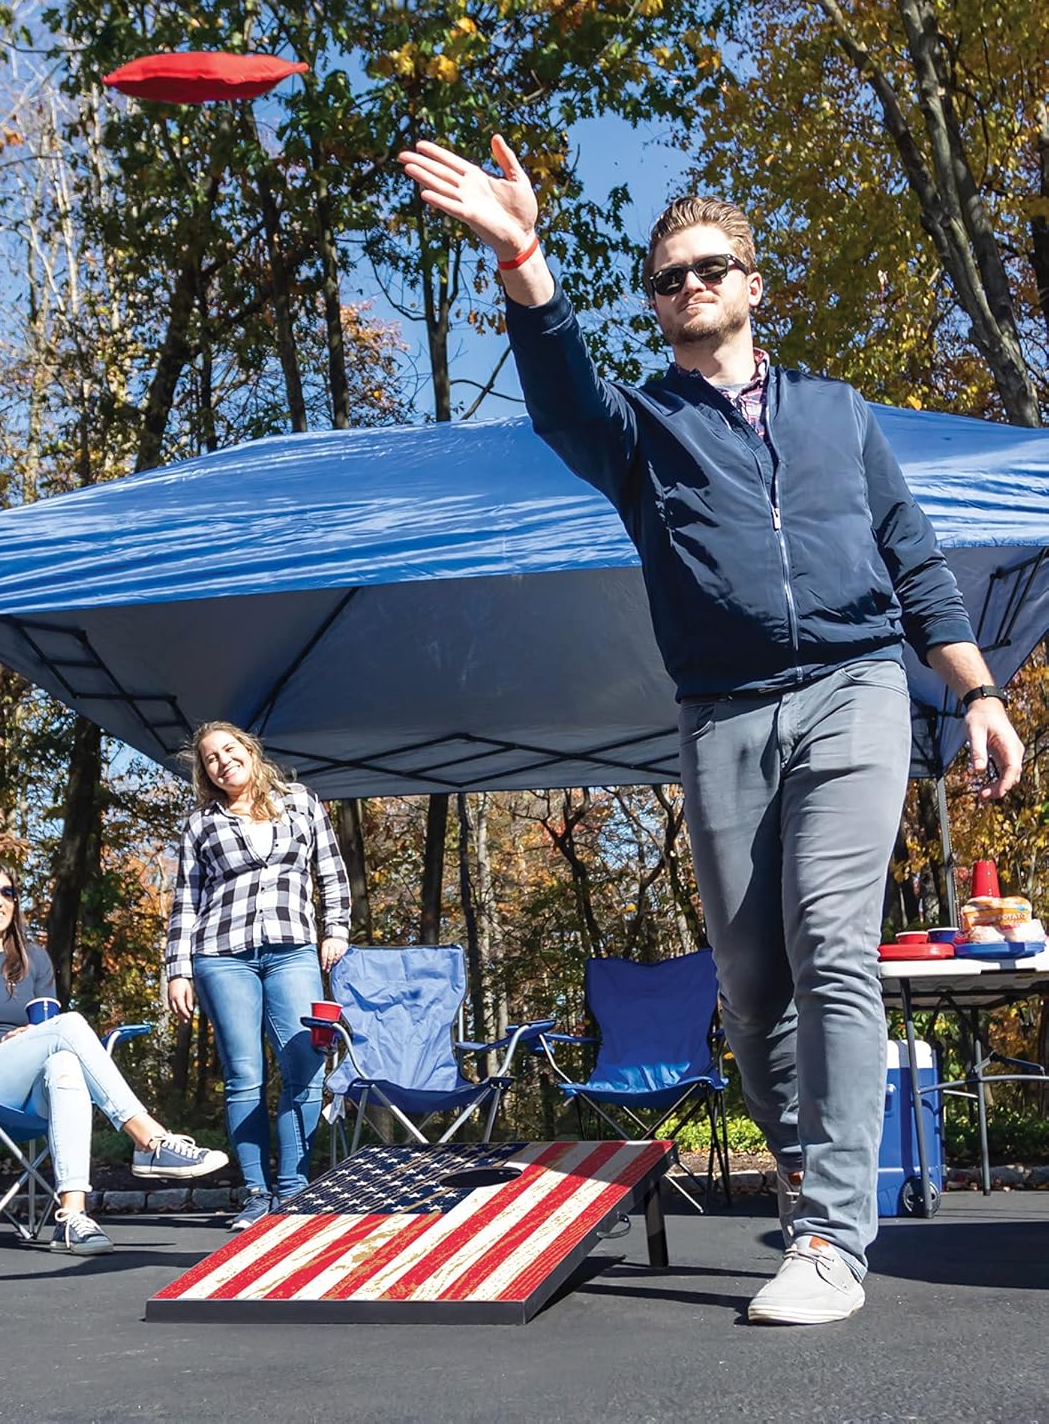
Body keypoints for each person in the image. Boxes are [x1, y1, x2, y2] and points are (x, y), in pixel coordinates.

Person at [400, 137, 1024, 1326]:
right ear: (658, 303)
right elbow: (563, 398)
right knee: (749, 984)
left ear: (752, 284)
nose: (688, 285)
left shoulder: (837, 415)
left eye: (709, 267)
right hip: (724, 711)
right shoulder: (645, 429)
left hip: (853, 687)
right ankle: (801, 1172)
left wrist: (979, 692)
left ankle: (833, 1233)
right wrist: (522, 254)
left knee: (833, 941)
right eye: (668, 277)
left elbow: (913, 559)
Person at [0, 859, 228, 1255]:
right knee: (69, 1024)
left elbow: (47, 1032)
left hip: (22, 1094)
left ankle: (71, 1218)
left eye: (8, 893)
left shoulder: (33, 960)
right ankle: (149, 1140)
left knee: (64, 1065)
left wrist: (28, 1041)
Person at [166, 720, 351, 1231]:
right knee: (244, 1075)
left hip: (293, 949)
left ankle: (293, 1188)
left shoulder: (301, 802)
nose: (222, 761)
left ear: (249, 751)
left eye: (229, 750)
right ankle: (255, 1194)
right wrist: (178, 970)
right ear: (204, 773)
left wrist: (335, 929)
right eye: (210, 758)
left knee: (307, 1064)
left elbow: (331, 872)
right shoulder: (201, 824)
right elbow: (186, 900)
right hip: (221, 955)